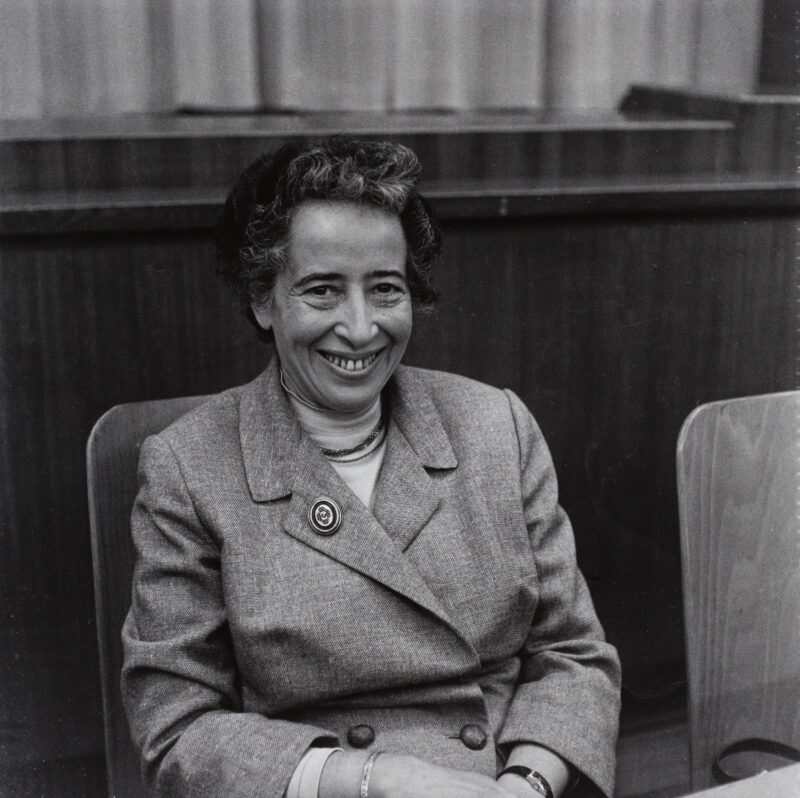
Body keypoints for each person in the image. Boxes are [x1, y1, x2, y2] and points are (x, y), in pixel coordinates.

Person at [122, 138, 620, 798]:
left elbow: (573, 655)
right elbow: (177, 731)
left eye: (385, 288)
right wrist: (373, 779)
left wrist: (526, 784)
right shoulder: (188, 467)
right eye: (323, 290)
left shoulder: (496, 426)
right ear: (263, 300)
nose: (360, 329)